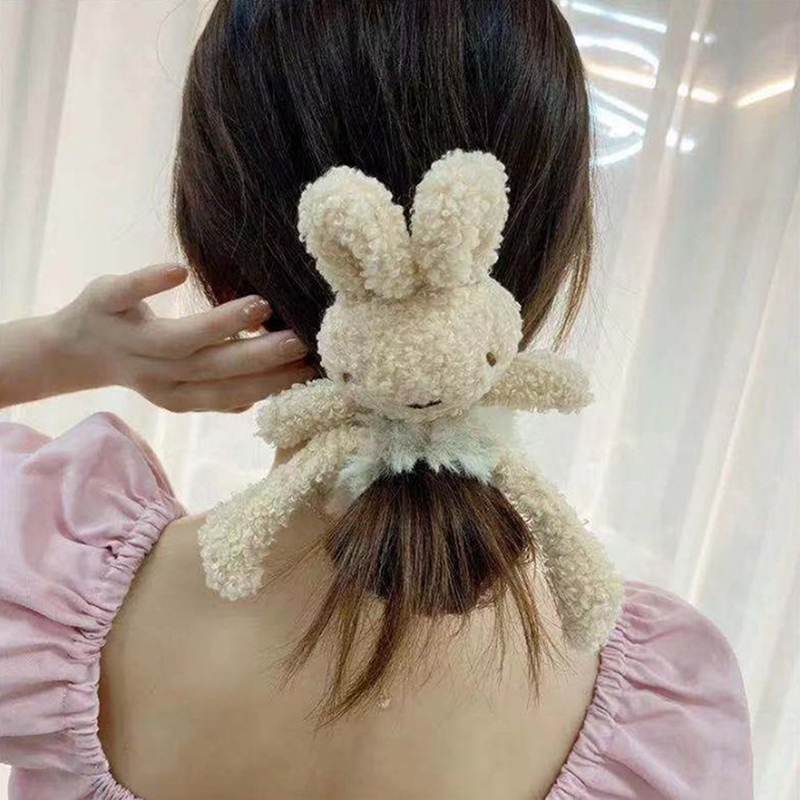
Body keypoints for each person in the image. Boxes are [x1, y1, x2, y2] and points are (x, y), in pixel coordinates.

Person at [0, 1, 752, 798]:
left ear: (216, 261)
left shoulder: (41, 580)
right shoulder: (667, 724)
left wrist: (60, 350)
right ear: (539, 264)